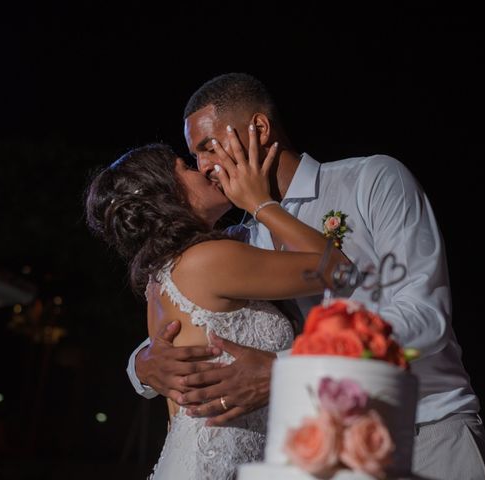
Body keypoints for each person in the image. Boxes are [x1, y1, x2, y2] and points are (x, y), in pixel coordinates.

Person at [126, 72, 485, 480]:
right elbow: (192, 319)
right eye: (195, 157)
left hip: (425, 435)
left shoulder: (371, 181)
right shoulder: (242, 240)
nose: (204, 166)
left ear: (259, 129)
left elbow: (425, 318)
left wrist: (286, 369)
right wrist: (142, 365)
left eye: (208, 147)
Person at [85, 129, 350, 479]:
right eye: (186, 166)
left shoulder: (161, 277)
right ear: (168, 191)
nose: (204, 170)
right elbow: (335, 269)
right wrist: (260, 203)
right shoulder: (205, 260)